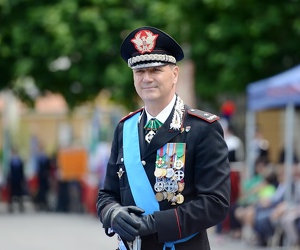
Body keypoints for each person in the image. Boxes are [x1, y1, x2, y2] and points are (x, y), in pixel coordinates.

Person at [96, 26, 231, 250]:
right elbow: (107, 193)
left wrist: (154, 224)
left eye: (156, 70)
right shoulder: (125, 128)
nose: (147, 78)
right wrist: (113, 213)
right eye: (140, 72)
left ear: (174, 74)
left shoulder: (202, 129)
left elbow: (215, 203)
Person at [7, 147, 26, 213]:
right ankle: (11, 206)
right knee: (11, 194)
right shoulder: (11, 161)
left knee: (20, 194)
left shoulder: (20, 161)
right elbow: (9, 172)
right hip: (13, 180)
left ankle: (21, 206)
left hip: (19, 180)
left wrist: (22, 180)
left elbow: (22, 172)